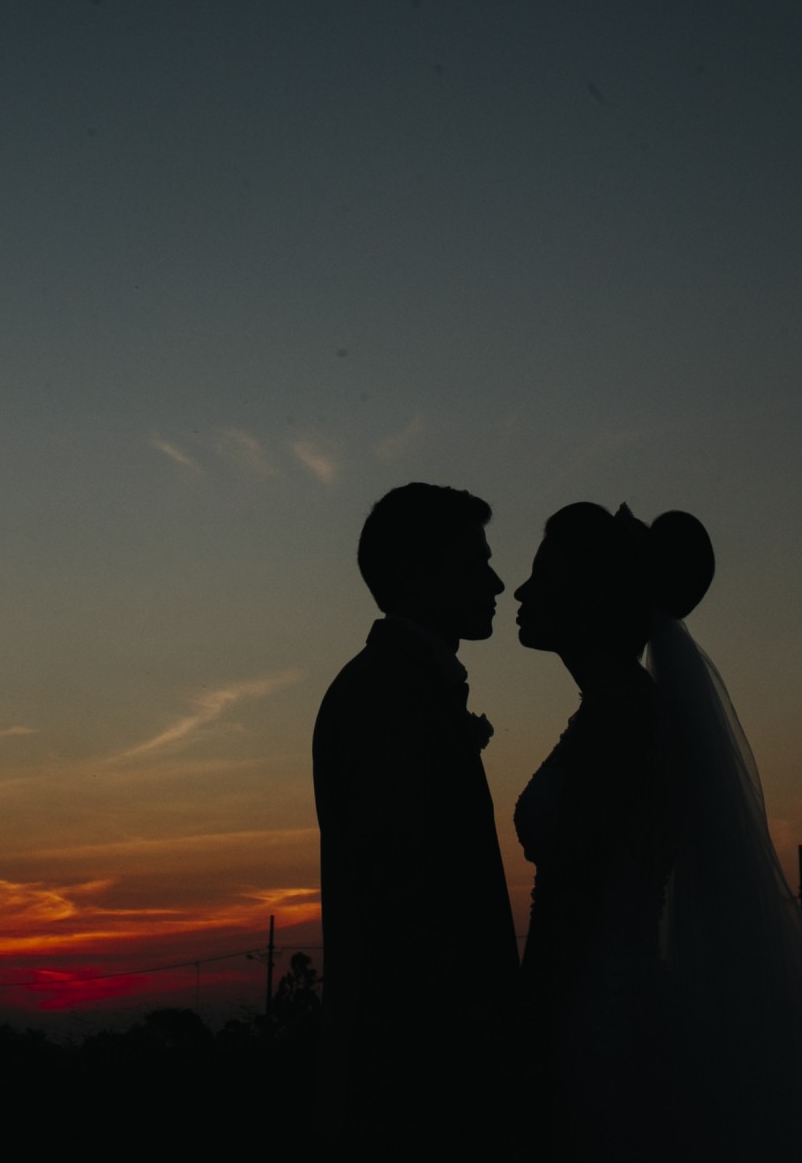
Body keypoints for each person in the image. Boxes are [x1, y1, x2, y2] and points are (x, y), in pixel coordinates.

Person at [511, 502, 802, 1160]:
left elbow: (573, 896)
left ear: (590, 596)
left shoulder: (619, 721)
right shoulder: (620, 712)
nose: (522, 589)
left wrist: (529, 1032)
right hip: (615, 1000)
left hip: (590, 1016)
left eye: (543, 571)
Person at [312, 483, 522, 1140]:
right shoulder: (385, 696)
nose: (496, 579)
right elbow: (405, 907)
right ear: (412, 573)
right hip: (418, 1085)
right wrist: (487, 1049)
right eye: (473, 562)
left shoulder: (407, 687)